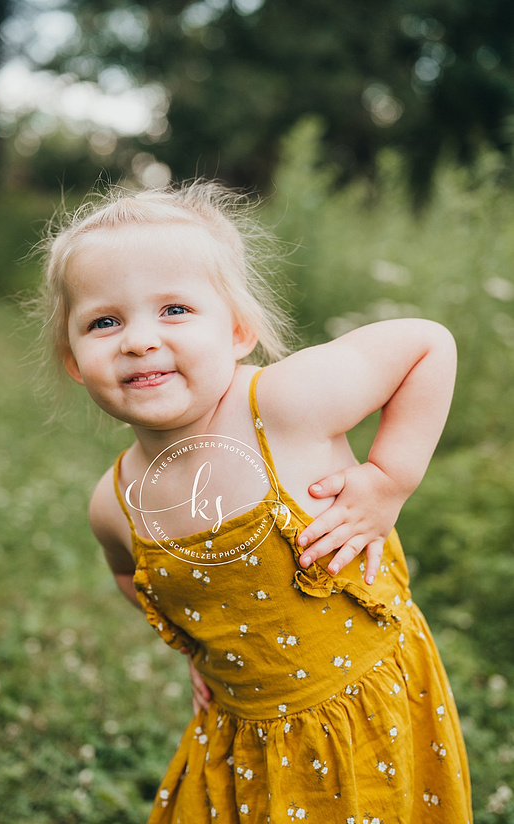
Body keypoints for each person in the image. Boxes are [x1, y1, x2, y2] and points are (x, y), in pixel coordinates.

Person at [41, 182, 471, 820]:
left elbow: (427, 344)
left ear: (239, 330)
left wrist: (387, 479)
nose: (137, 340)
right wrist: (200, 647)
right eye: (104, 322)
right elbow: (130, 573)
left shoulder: (284, 406)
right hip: (244, 736)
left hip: (364, 708)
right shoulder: (115, 501)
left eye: (175, 310)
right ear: (74, 359)